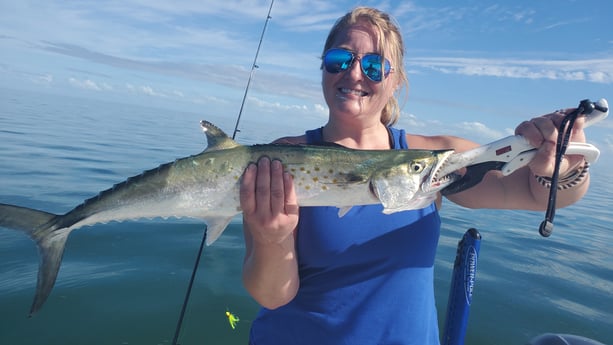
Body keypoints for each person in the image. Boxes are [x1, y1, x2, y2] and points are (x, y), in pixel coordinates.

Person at [239, 6, 590, 345]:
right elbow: (272, 296)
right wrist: (272, 240)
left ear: (395, 82)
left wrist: (564, 165)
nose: (354, 73)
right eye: (339, 59)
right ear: (323, 68)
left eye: (374, 65)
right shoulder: (283, 158)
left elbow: (533, 193)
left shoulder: (433, 160)